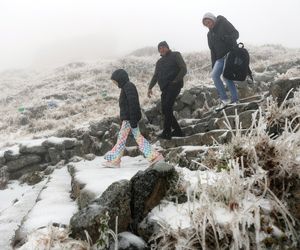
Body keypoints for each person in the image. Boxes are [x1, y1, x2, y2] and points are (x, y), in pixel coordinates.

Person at [103, 69, 164, 168]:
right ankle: (115, 159)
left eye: (115, 81)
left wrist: (133, 120)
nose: (114, 83)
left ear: (120, 78)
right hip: (128, 118)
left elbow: (133, 104)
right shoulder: (126, 87)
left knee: (128, 138)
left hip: (130, 119)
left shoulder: (128, 87)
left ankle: (155, 156)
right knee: (123, 138)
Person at [147, 41, 187, 140]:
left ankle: (167, 132)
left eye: (163, 47)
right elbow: (155, 75)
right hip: (164, 88)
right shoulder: (159, 62)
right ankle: (177, 131)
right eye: (160, 48)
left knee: (168, 107)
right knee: (165, 110)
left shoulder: (175, 55)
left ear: (167, 47)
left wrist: (176, 80)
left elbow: (183, 68)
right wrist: (150, 87)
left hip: (174, 86)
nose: (162, 49)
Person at [202, 12, 239, 110]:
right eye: (205, 24)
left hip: (229, 54)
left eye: (208, 21)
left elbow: (236, 33)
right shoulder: (209, 34)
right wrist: (213, 64)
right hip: (219, 58)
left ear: (212, 19)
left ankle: (235, 100)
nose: (207, 24)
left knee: (226, 77)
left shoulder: (223, 23)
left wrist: (227, 38)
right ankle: (225, 100)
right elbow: (212, 50)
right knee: (214, 75)